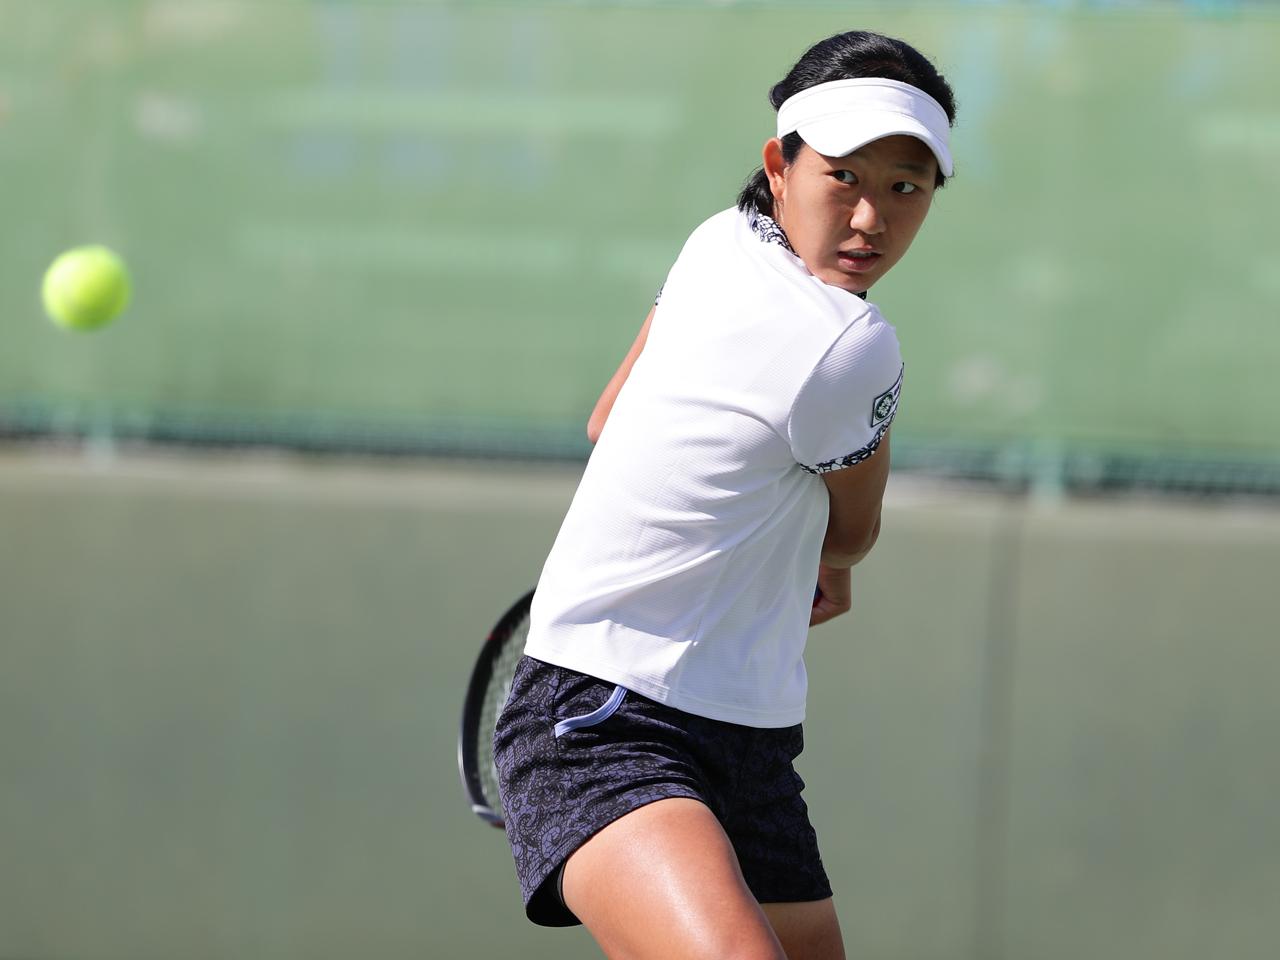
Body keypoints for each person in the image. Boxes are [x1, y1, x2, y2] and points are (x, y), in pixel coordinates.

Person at [494, 29, 957, 960]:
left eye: (906, 187)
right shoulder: (853, 344)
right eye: (844, 177)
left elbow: (609, 416)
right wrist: (820, 537)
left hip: (751, 738)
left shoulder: (720, 239)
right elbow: (851, 536)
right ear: (778, 166)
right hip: (605, 721)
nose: (871, 218)